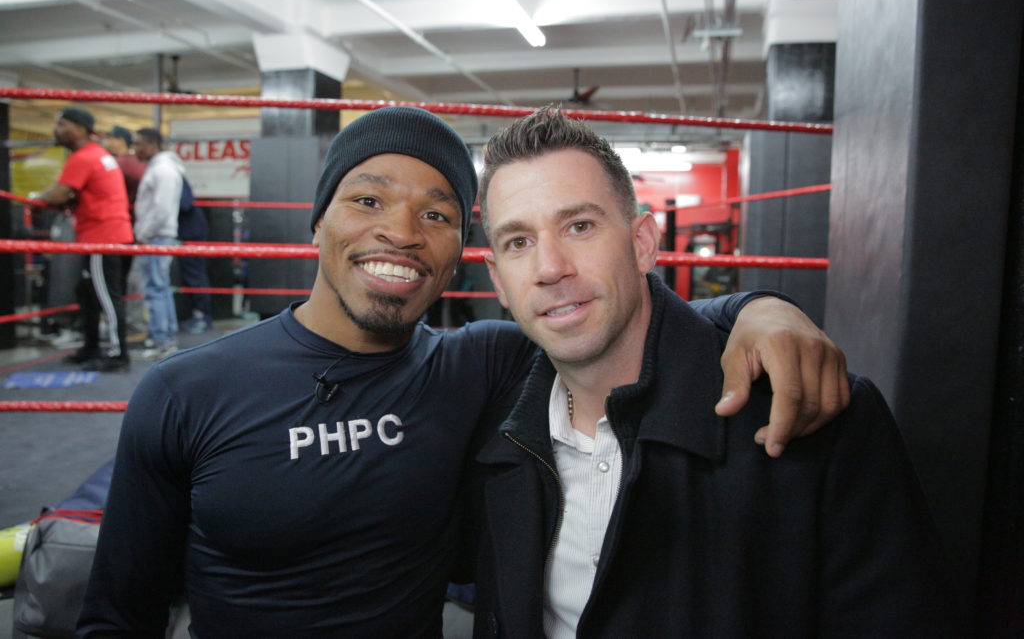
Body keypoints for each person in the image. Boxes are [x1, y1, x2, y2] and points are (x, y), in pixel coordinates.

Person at [77, 107, 849, 637]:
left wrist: (758, 309)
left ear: (460, 259)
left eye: (439, 213)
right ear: (319, 222)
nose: (402, 232)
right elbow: (119, 616)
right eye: (368, 197)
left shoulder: (480, 361)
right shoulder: (185, 391)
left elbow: (617, 313)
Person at [472, 108, 951, 637]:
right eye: (519, 242)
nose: (548, 268)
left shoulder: (818, 415)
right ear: (496, 278)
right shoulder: (495, 421)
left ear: (643, 243)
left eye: (579, 226)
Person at [32, 107, 133, 372]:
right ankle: (91, 347)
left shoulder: (84, 157)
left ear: (80, 128)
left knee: (106, 296)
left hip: (103, 237)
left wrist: (35, 198)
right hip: (107, 234)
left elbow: (57, 194)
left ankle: (118, 354)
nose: (58, 129)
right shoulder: (98, 155)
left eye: (63, 124)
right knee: (87, 293)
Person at [132, 128, 184, 360]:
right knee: (160, 288)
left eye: (139, 144)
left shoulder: (163, 170)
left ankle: (161, 339)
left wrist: (143, 233)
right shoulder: (161, 168)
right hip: (158, 235)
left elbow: (161, 210)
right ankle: (165, 337)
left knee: (155, 288)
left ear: (152, 145)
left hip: (156, 236)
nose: (135, 149)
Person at [103, 124, 148, 334]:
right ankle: (128, 325)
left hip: (117, 231)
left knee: (115, 284)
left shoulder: (118, 164)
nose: (105, 142)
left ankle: (119, 328)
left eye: (109, 138)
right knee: (128, 282)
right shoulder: (136, 165)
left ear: (120, 141)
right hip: (131, 230)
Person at [177, 176, 215, 333]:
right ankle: (201, 315)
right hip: (189, 231)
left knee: (195, 275)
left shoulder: (171, 174)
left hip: (191, 232)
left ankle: (203, 316)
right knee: (193, 275)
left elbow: (185, 203)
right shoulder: (174, 173)